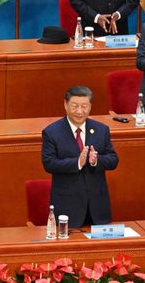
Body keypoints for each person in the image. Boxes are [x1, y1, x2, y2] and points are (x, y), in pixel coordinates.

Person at [41, 86, 118, 227]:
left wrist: (96, 161)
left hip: (98, 208)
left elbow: (113, 160)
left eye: (84, 106)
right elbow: (49, 163)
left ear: (90, 107)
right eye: (74, 106)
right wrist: (77, 162)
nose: (79, 111)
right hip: (68, 208)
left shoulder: (101, 130)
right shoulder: (51, 132)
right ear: (65, 105)